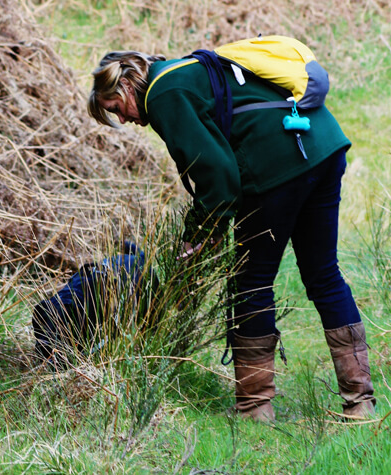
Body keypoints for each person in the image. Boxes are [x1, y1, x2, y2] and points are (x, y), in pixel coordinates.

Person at [87, 48, 376, 422]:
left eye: (116, 107)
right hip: (321, 144)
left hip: (277, 164)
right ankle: (360, 403)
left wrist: (197, 234)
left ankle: (255, 408)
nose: (123, 119)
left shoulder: (161, 93)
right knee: (324, 274)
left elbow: (219, 178)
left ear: (127, 84)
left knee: (251, 283)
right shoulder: (183, 71)